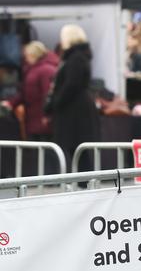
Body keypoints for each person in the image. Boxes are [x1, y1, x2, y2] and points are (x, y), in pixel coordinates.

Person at [46, 25, 100, 172]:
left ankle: (84, 183)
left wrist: (56, 102)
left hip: (74, 110)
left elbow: (72, 84)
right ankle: (83, 182)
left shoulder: (75, 57)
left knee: (77, 148)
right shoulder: (78, 56)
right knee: (77, 149)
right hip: (75, 108)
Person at [2, 41, 58, 141]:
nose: (25, 58)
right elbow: (25, 93)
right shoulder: (32, 70)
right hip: (34, 120)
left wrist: (47, 115)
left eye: (27, 55)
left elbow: (49, 95)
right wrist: (11, 103)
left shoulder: (45, 70)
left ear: (33, 54)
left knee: (44, 151)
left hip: (42, 121)